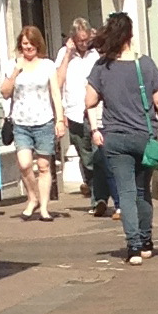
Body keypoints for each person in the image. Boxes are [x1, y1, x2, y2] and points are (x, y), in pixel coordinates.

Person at [91, 11, 158, 262]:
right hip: (143, 136)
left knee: (124, 193)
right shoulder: (144, 64)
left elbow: (89, 100)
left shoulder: (102, 66)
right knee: (141, 191)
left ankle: (133, 246)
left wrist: (96, 126)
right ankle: (146, 241)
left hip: (114, 137)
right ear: (131, 35)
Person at [0, 22, 62, 218]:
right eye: (24, 43)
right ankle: (32, 197)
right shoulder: (13, 65)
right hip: (21, 122)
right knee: (24, 164)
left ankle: (43, 207)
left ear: (38, 44)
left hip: (44, 121)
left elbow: (55, 94)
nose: (28, 47)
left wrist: (60, 120)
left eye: (31, 43)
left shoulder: (47, 65)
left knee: (43, 166)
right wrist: (16, 71)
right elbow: (5, 92)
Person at [58, 18, 104, 215]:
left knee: (100, 156)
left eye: (86, 40)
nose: (84, 44)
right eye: (80, 40)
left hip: (97, 113)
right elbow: (58, 82)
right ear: (73, 38)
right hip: (74, 113)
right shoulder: (64, 53)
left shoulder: (97, 54)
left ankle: (99, 199)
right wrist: (68, 53)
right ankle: (95, 193)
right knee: (87, 159)